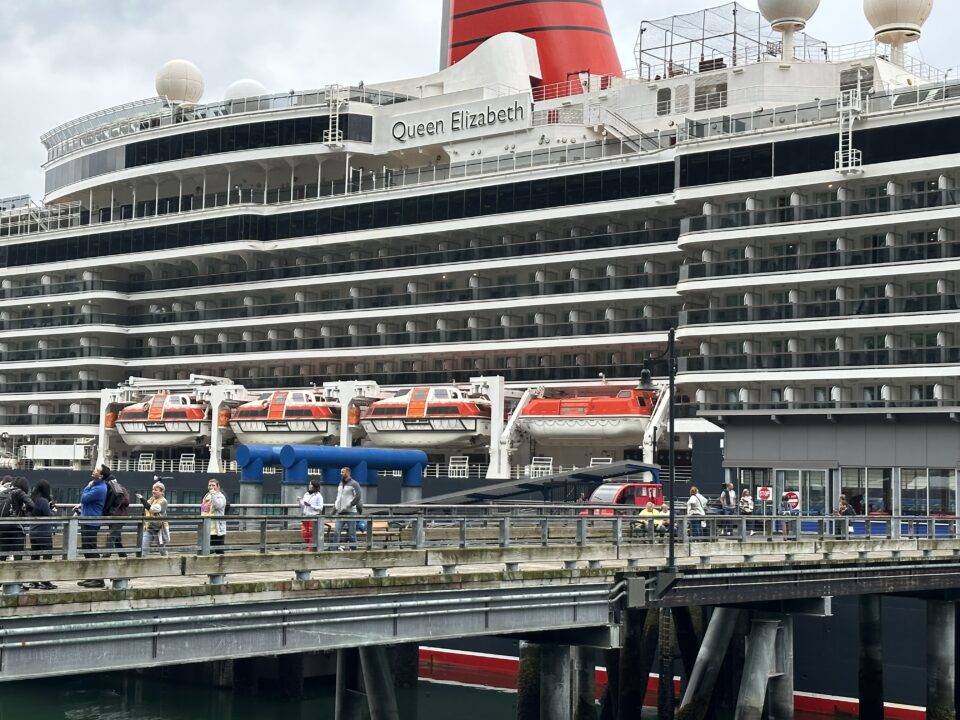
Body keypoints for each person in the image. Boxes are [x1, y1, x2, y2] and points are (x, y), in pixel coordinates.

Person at [77, 464, 108, 588]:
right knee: (87, 549)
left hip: (92, 522)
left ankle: (99, 579)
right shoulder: (96, 485)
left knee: (91, 549)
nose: (94, 471)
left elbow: (84, 498)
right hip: (87, 520)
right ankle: (91, 577)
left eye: (97, 470)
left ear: (101, 476)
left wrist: (87, 487)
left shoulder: (99, 488)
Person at [27, 480, 56, 589]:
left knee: (35, 557)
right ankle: (45, 581)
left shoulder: (32, 499)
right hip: (43, 533)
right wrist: (53, 510)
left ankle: (33, 581)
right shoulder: (43, 501)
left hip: (33, 532)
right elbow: (49, 515)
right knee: (47, 556)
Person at [0, 477, 34, 561]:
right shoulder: (19, 492)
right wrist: (25, 510)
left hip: (2, 528)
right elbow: (32, 505)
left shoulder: (3, 492)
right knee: (18, 558)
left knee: (1, 558)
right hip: (16, 529)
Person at [333, 467, 362, 550]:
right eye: (341, 472)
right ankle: (334, 549)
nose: (341, 474)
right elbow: (338, 497)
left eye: (343, 472)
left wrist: (350, 504)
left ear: (348, 473)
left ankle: (353, 549)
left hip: (350, 512)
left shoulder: (354, 484)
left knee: (352, 533)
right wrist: (334, 509)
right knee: (336, 531)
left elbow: (358, 496)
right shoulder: (340, 484)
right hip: (340, 512)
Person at [138, 482, 169, 555]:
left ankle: (166, 559)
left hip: (159, 528)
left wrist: (142, 499)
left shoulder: (163, 501)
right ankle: (142, 560)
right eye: (153, 489)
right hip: (149, 527)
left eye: (156, 490)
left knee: (162, 549)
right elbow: (146, 509)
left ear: (161, 492)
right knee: (144, 548)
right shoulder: (151, 499)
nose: (153, 491)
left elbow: (152, 509)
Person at [103, 474, 130, 557]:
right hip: (114, 516)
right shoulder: (110, 489)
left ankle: (107, 554)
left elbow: (126, 502)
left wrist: (116, 501)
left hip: (119, 516)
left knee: (112, 534)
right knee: (116, 536)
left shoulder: (121, 489)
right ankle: (122, 554)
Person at [200, 479, 227, 554]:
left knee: (219, 550)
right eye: (209, 485)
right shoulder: (207, 495)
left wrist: (213, 495)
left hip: (217, 528)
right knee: (207, 549)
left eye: (213, 485)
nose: (211, 487)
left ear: (218, 486)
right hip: (207, 526)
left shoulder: (220, 496)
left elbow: (218, 506)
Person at [299, 479, 324, 550]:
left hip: (313, 517)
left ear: (314, 486)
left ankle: (311, 548)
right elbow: (303, 506)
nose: (309, 485)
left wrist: (310, 505)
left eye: (311, 484)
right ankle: (308, 546)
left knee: (311, 533)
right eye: (309, 484)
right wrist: (300, 501)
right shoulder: (306, 494)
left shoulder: (318, 496)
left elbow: (320, 508)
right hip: (305, 516)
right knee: (305, 533)